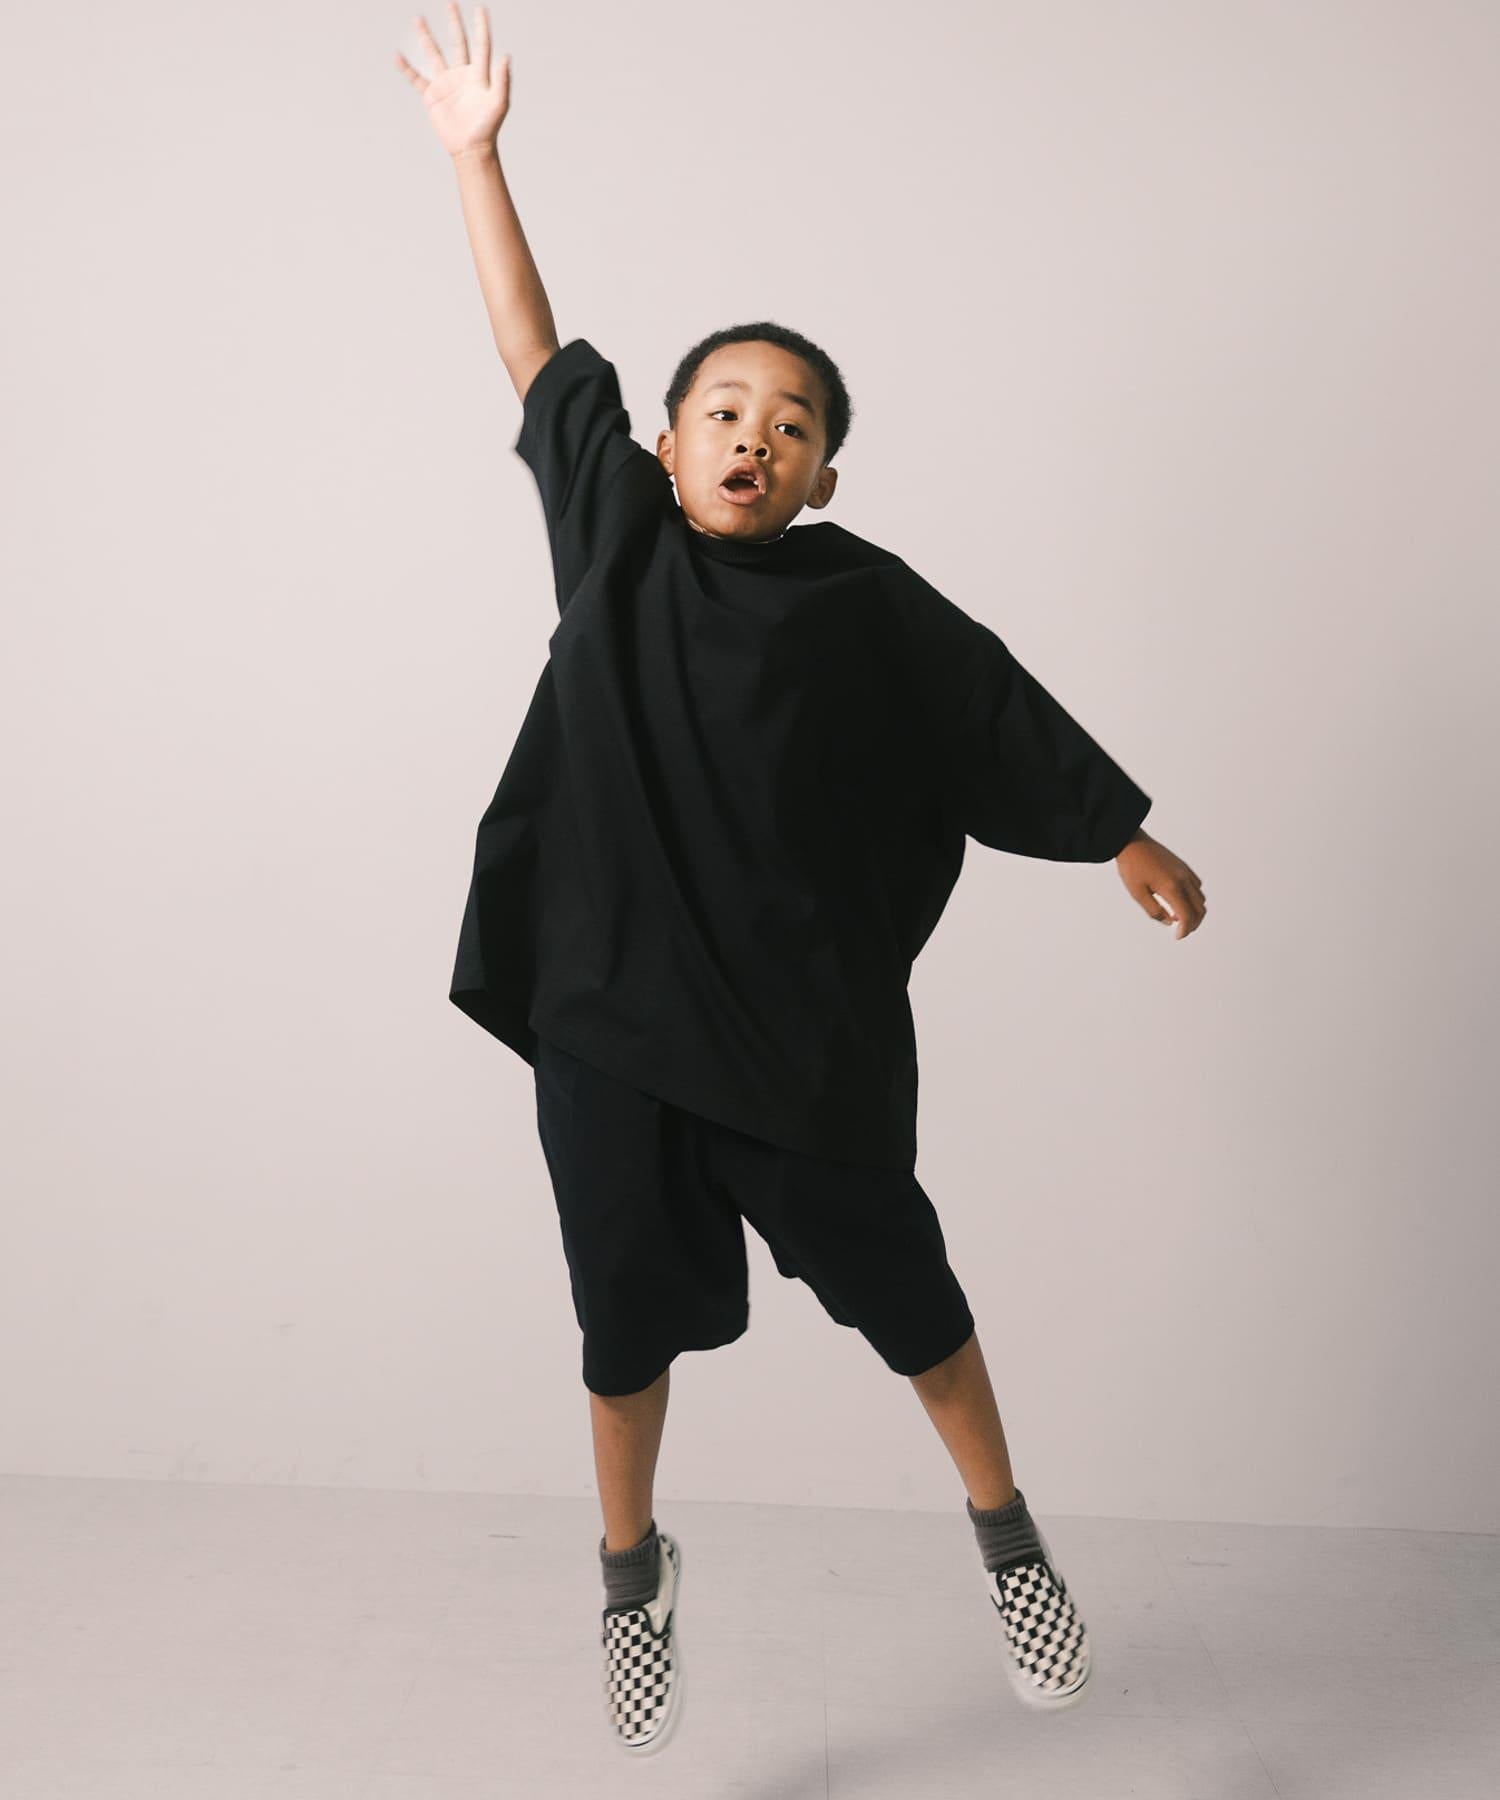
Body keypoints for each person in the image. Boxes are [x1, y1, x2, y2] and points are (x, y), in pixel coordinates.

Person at [397, 4, 1208, 1757]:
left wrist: (1118, 832)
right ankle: (631, 1574)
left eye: (790, 421)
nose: (751, 435)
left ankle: (1008, 1538)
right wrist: (478, 157)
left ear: (824, 471)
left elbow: (992, 709)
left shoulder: (861, 600)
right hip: (612, 1016)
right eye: (722, 409)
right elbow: (532, 345)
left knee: (908, 1295)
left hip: (795, 1029)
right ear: (665, 445)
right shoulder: (616, 540)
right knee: (623, 1321)